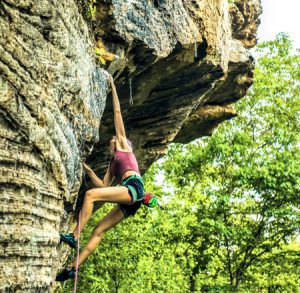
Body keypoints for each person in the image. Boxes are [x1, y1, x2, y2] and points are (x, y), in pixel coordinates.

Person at [56, 74, 145, 281]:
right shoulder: (113, 164)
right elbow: (103, 185)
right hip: (131, 198)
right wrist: (87, 170)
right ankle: (72, 268)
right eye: (114, 139)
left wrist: (112, 86)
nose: (112, 140)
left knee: (90, 195)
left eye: (114, 139)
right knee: (98, 231)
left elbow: (117, 113)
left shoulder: (124, 146)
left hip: (134, 188)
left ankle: (75, 236)